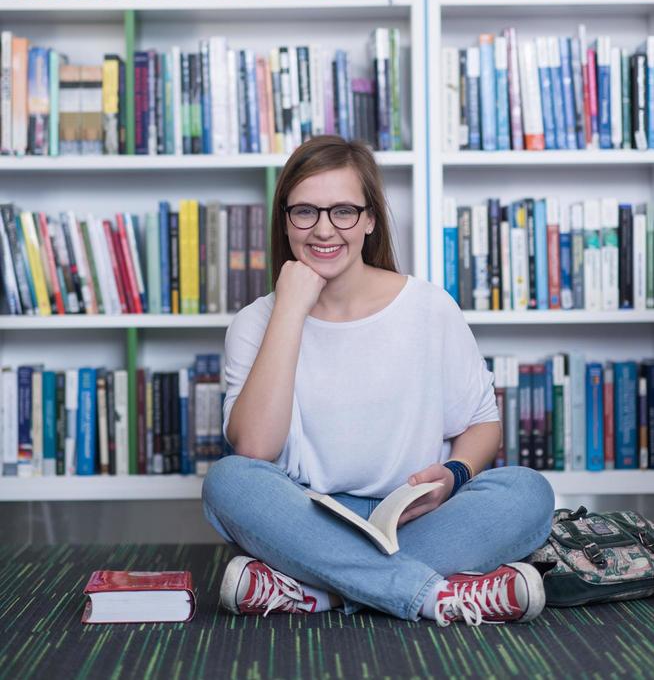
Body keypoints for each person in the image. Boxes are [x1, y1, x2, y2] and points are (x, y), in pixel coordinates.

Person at [202, 136, 555, 625]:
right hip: (307, 518)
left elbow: (481, 424)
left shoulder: (429, 307)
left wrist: (453, 476)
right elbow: (255, 448)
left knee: (528, 493)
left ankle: (316, 589)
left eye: (343, 211)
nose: (324, 229)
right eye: (304, 211)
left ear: (369, 219)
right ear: (285, 219)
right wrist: (289, 309)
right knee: (229, 481)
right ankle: (430, 595)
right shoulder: (256, 321)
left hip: (415, 515)